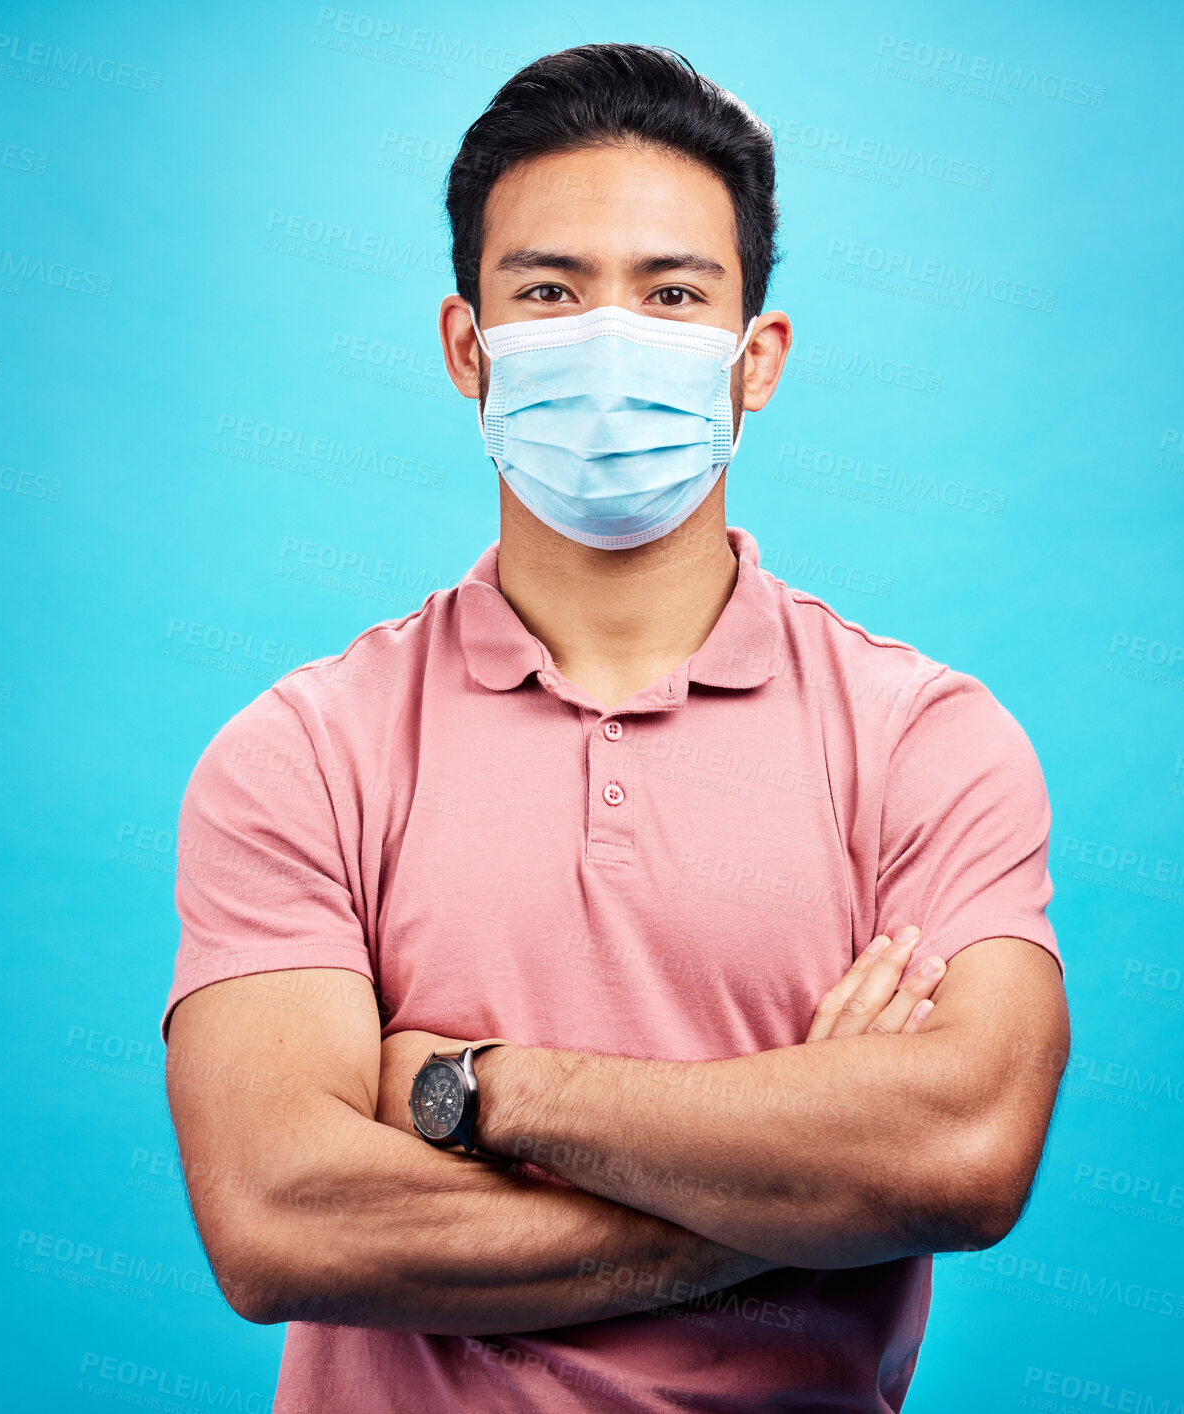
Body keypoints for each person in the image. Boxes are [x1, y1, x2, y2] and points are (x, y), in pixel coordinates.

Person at [161, 42, 1069, 1413]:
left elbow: (963, 1154)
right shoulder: (304, 750)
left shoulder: (924, 741)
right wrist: (788, 1192)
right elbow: (282, 1219)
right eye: (548, 288)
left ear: (753, 359)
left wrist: (479, 1089)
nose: (607, 337)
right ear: (468, 345)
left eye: (670, 293)